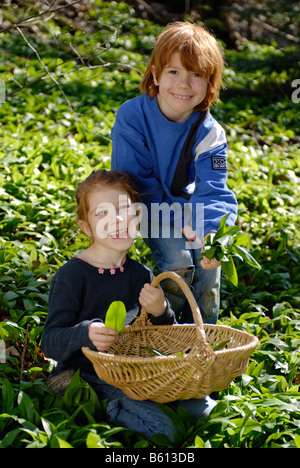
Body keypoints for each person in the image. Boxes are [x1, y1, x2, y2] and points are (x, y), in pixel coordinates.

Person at [41, 169, 216, 441]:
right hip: (87, 374)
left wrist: (161, 311)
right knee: (164, 431)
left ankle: (141, 406)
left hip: (132, 372)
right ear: (86, 227)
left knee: (206, 409)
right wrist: (85, 332)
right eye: (102, 213)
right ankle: (107, 410)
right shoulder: (72, 276)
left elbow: (161, 335)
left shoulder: (140, 274)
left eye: (124, 209)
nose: (117, 219)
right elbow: (50, 341)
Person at [111, 21, 238, 325]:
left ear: (210, 83)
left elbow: (214, 189)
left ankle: (204, 338)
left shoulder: (211, 134)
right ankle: (160, 328)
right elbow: (136, 182)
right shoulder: (133, 117)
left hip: (189, 209)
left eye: (196, 75)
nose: (184, 84)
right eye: (174, 72)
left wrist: (209, 229)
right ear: (155, 73)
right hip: (146, 206)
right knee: (179, 265)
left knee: (208, 270)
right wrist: (183, 218)